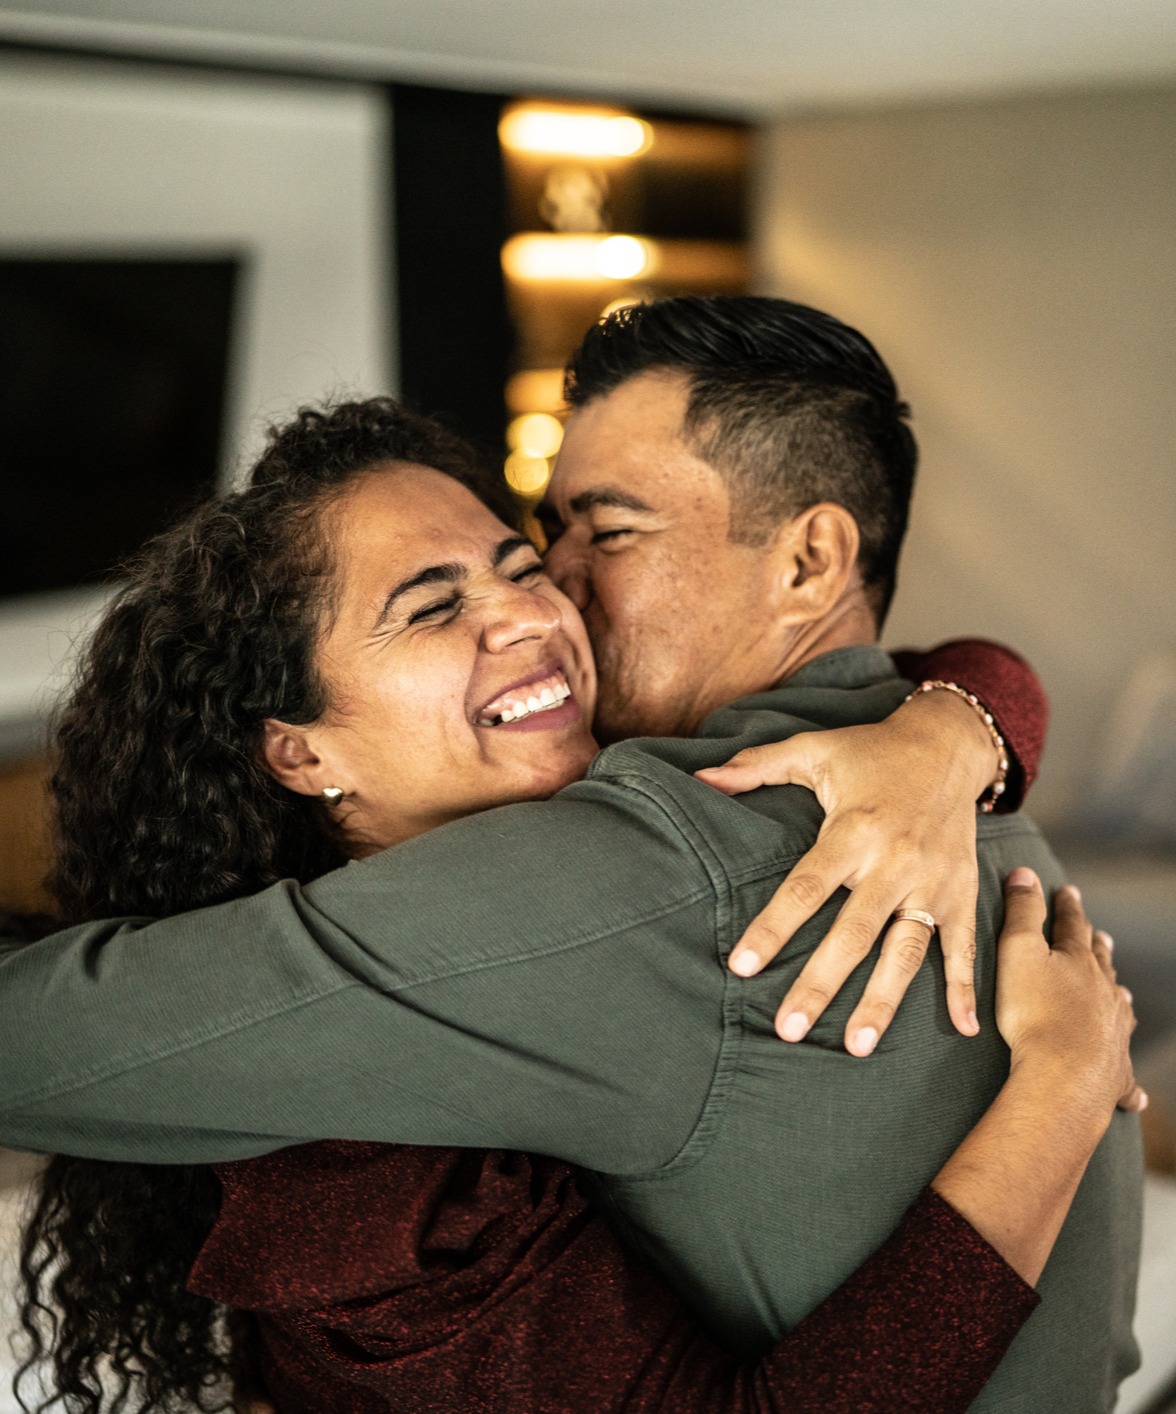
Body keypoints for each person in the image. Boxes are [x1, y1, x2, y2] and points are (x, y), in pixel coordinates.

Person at [0, 300, 1143, 1410]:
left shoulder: (657, 866)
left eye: (608, 530)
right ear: (294, 748)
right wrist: (961, 721)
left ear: (809, 562)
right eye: (553, 536)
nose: (554, 595)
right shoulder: (966, 800)